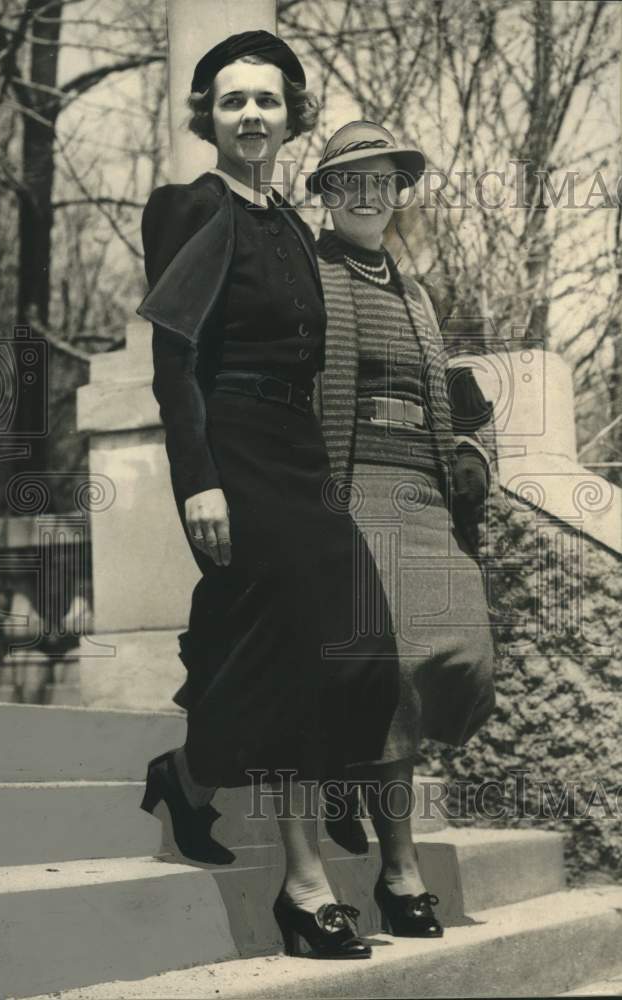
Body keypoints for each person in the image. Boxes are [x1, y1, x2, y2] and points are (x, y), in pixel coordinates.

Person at [136, 35, 405, 960]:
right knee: (289, 655)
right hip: (236, 446)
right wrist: (197, 478)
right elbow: (175, 363)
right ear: (206, 116)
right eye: (231, 101)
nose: (251, 116)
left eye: (268, 101)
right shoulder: (189, 207)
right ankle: (304, 885)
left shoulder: (292, 224)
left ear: (293, 115)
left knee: (363, 642)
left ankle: (188, 776)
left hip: (301, 451)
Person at [307, 120, 497, 937]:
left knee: (465, 651)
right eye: (351, 181)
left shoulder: (416, 295)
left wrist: (469, 456)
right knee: (389, 672)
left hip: (423, 500)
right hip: (350, 494)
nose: (368, 195)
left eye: (383, 182)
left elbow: (454, 403)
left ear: (398, 194)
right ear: (325, 194)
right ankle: (399, 870)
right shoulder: (308, 276)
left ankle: (347, 773)